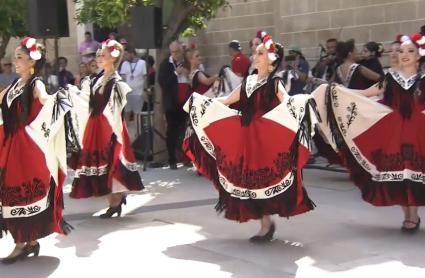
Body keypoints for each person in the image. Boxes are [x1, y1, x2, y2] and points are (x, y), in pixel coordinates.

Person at [184, 35, 317, 242]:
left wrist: (302, 103)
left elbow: (288, 105)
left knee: (262, 180)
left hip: (264, 141)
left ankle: (266, 224)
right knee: (250, 182)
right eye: (256, 52)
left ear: (271, 59)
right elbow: (226, 101)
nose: (256, 56)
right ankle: (265, 223)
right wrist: (202, 104)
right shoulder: (249, 81)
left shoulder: (274, 83)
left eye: (261, 53)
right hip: (246, 139)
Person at [313, 32, 425, 232]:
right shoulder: (390, 78)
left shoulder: (423, 80)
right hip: (395, 132)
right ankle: (408, 215)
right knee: (400, 173)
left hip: (417, 132)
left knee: (413, 172)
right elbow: (367, 93)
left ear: (418, 56)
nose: (404, 54)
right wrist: (339, 92)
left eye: (410, 51)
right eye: (401, 51)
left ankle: (413, 215)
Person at [0, 37, 71, 263]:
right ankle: (28, 242)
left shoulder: (35, 84)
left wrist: (59, 100)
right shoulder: (13, 86)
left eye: (20, 57)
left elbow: (45, 100)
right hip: (12, 146)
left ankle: (22, 244)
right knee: (10, 191)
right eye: (15, 57)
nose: (16, 60)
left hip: (27, 147)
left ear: (32, 62)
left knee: (19, 191)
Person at [68, 39, 144, 218]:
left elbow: (115, 109)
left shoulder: (116, 82)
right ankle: (115, 199)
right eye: (99, 54)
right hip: (95, 126)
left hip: (108, 127)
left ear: (112, 58)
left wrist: (111, 130)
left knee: (111, 163)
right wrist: (73, 95)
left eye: (103, 54)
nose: (99, 57)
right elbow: (88, 101)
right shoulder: (98, 79)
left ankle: (116, 200)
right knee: (100, 164)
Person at [158, 41, 190, 169]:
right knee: (172, 131)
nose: (175, 54)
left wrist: (188, 74)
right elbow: (163, 82)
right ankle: (172, 159)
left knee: (184, 130)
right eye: (173, 52)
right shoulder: (166, 64)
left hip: (184, 102)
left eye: (177, 51)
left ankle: (185, 157)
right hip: (172, 103)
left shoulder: (186, 62)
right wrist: (176, 73)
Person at [120, 46, 147, 119]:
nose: (124, 56)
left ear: (132, 54)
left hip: (138, 93)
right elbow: (123, 78)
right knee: (126, 113)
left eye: (126, 54)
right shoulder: (124, 64)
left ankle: (137, 129)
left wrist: (145, 90)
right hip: (128, 94)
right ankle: (126, 129)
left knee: (137, 114)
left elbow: (145, 77)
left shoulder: (142, 63)